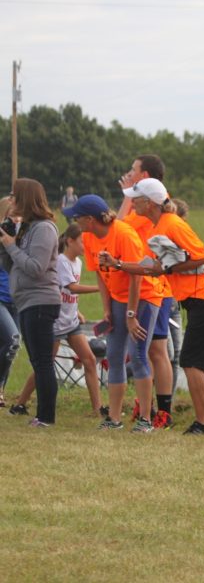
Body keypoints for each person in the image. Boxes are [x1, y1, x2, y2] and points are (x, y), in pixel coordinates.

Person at [113, 178, 204, 434]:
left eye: (135, 199)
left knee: (192, 362)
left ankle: (203, 423)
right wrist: (118, 265)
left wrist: (171, 268)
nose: (132, 204)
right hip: (202, 300)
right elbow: (153, 267)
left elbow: (201, 255)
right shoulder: (159, 225)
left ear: (149, 203)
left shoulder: (171, 224)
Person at [66, 194, 163, 433]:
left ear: (90, 219)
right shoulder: (89, 237)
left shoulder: (124, 234)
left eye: (77, 217)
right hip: (118, 299)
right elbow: (100, 273)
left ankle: (145, 419)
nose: (74, 222)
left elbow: (137, 276)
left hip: (144, 298)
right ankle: (114, 417)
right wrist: (107, 309)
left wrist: (131, 314)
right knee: (114, 354)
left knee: (138, 355)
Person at [13, 225, 103, 416]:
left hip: (71, 322)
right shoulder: (61, 261)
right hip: (55, 323)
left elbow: (66, 294)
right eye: (81, 242)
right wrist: (100, 288)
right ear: (70, 241)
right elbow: (71, 287)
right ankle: (20, 404)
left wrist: (76, 312)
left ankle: (97, 409)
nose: (85, 246)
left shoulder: (77, 262)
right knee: (45, 364)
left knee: (89, 359)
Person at [116, 154, 177, 429]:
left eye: (134, 170)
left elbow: (118, 226)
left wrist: (127, 197)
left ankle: (163, 411)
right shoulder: (141, 203)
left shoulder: (150, 207)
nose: (129, 174)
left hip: (156, 288)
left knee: (157, 349)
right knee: (150, 349)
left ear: (146, 176)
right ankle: (147, 405)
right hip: (145, 283)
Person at [0, 179, 61, 427]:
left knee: (42, 361)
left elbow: (36, 268)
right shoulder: (26, 228)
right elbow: (13, 267)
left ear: (25, 199)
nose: (11, 201)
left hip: (41, 301)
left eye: (15, 197)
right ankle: (43, 415)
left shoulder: (44, 229)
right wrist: (5, 245)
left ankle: (46, 417)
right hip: (27, 300)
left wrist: (12, 247)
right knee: (38, 359)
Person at [0, 196, 20, 410]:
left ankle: (1, 390)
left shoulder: (21, 237)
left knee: (8, 347)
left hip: (17, 300)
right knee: (13, 340)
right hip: (0, 299)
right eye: (13, 216)